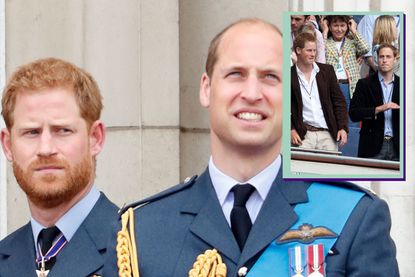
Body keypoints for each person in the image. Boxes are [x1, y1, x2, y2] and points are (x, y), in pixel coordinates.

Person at [104, 18, 399, 277]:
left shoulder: (354, 218)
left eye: (270, 77)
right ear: (206, 89)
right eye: (236, 74)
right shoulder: (141, 231)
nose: (252, 93)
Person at [0, 58, 119, 276]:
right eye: (31, 132)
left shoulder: (139, 249)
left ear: (95, 138)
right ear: (8, 145)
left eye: (62, 130)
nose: (46, 149)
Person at [291, 32, 348, 151]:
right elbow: (283, 107)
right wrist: (291, 129)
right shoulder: (288, 75)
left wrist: (342, 127)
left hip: (327, 134)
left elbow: (339, 102)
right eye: (309, 50)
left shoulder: (327, 71)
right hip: (303, 135)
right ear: (298, 50)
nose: (313, 54)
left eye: (314, 51)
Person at [349, 44, 400, 161]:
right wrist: (379, 109)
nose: (385, 60)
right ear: (377, 59)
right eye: (381, 57)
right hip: (372, 145)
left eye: (388, 57)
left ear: (395, 59)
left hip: (398, 146)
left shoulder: (404, 85)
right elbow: (354, 114)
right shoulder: (364, 84)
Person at [320, 15, 369, 115]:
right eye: (335, 25)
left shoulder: (351, 42)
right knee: (335, 117)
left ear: (348, 26)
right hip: (332, 86)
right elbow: (319, 52)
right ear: (329, 26)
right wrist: (324, 31)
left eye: (342, 25)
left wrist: (354, 30)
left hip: (349, 85)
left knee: (351, 117)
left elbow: (365, 48)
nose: (339, 29)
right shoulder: (326, 42)